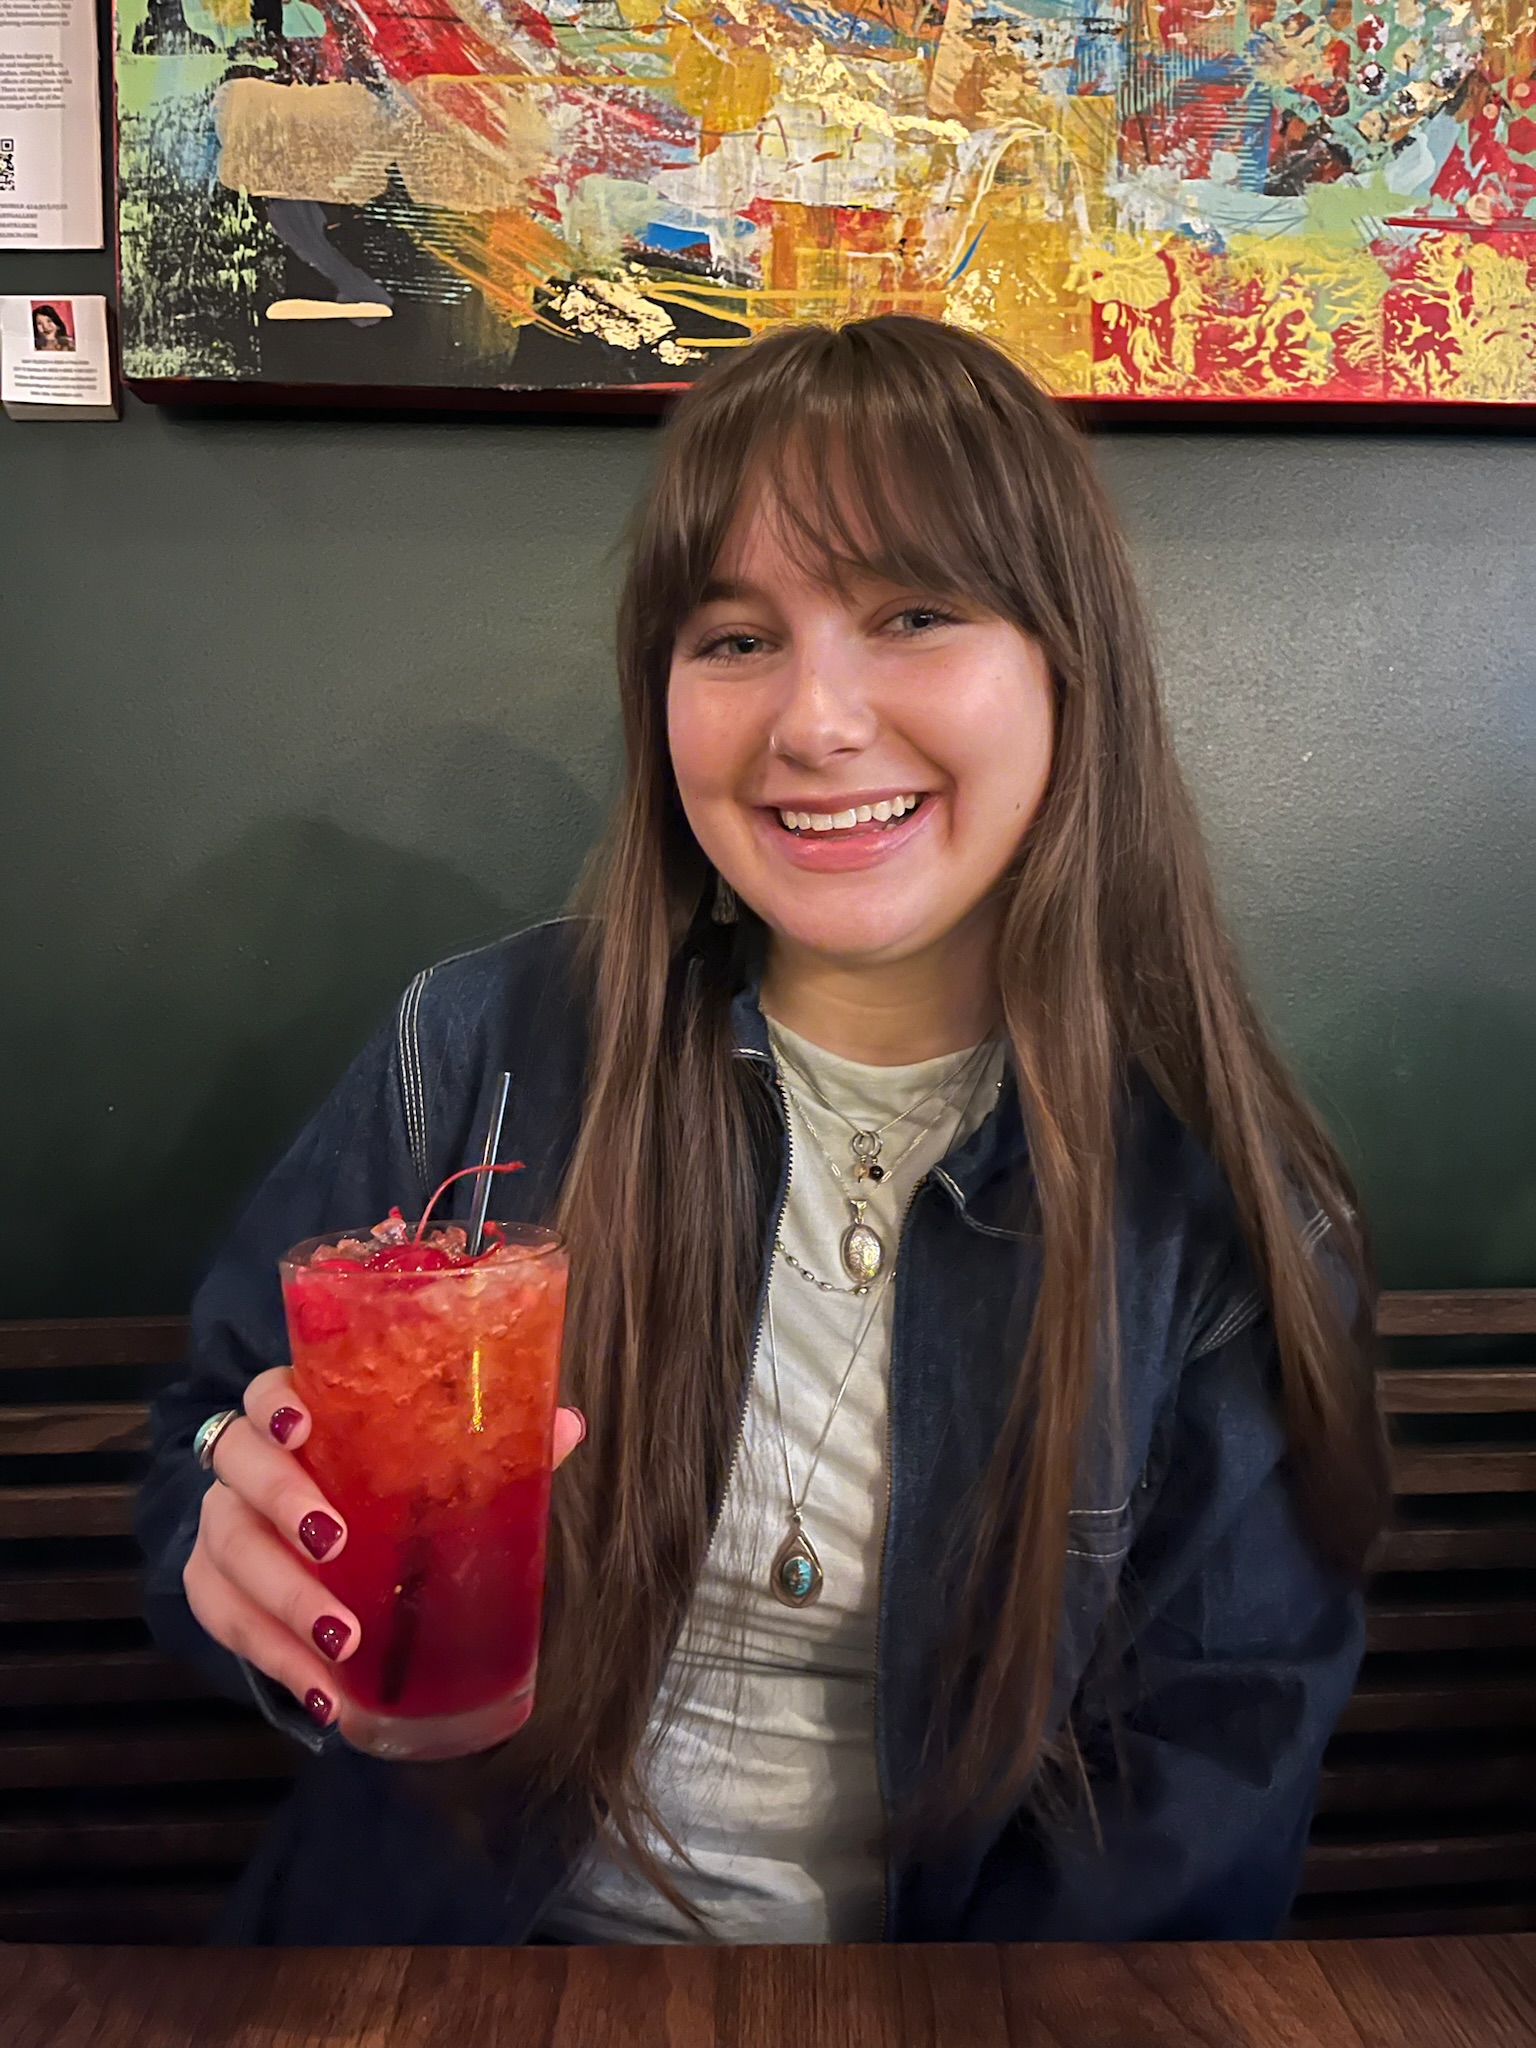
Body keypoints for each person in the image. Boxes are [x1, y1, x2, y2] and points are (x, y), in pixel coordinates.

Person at [138, 315, 1388, 1948]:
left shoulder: (1224, 1217)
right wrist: (240, 1567)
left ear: (1067, 663)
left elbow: (1191, 1826)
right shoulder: (476, 1053)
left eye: (914, 614)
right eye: (733, 638)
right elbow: (198, 1452)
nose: (812, 721)